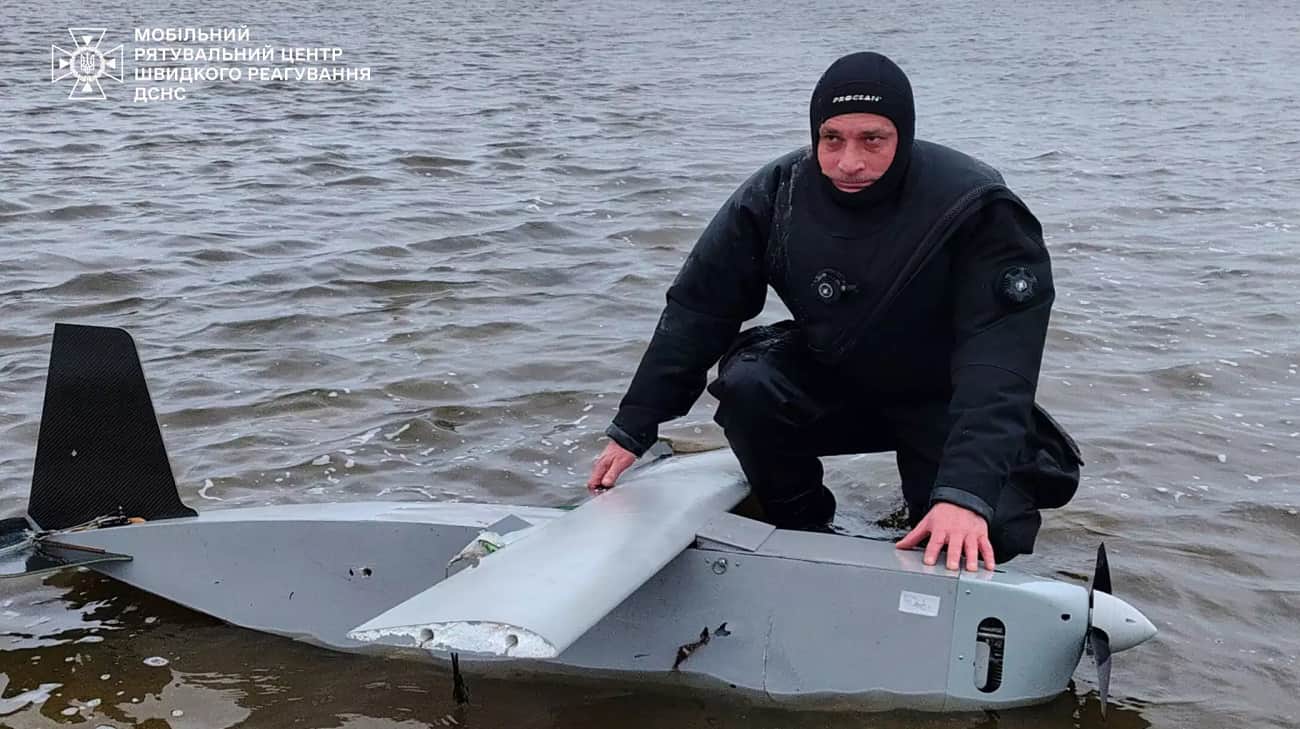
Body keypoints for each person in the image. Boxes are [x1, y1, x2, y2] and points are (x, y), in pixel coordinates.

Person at [587, 52, 1082, 571]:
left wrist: (965, 495)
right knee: (748, 384)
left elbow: (999, 363)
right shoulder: (777, 193)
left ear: (904, 136)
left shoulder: (976, 207)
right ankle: (802, 526)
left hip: (942, 394)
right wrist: (635, 427)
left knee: (990, 528)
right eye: (832, 138)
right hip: (836, 377)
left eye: (872, 140)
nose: (849, 162)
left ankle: (946, 503)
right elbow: (697, 310)